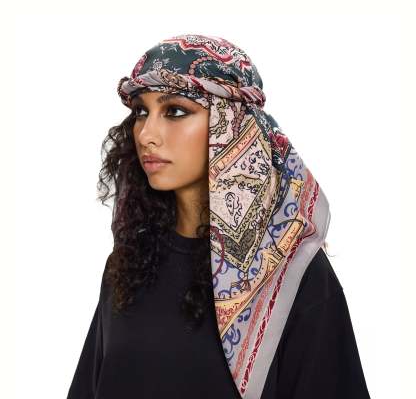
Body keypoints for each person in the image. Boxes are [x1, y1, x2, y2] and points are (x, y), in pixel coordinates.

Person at [66, 34, 371, 398]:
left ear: (232, 125)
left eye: (175, 111)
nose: (147, 134)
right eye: (141, 112)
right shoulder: (128, 266)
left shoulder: (292, 275)